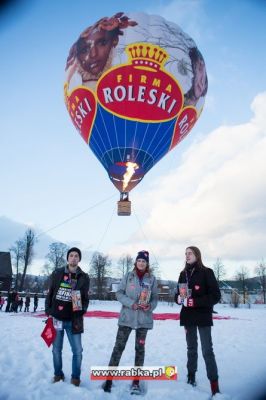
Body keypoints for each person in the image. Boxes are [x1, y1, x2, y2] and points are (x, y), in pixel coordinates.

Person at [102, 250, 158, 394]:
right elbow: (119, 293)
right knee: (118, 348)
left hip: (143, 320)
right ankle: (108, 380)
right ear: (136, 262)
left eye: (144, 261)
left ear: (147, 264)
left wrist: (149, 306)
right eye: (139, 260)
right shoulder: (128, 276)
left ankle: (136, 382)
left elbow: (155, 299)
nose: (141, 263)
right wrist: (131, 303)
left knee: (140, 350)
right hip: (127, 318)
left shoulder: (152, 279)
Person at [175, 246, 221, 397]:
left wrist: (195, 302)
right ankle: (191, 377)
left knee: (207, 350)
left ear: (197, 255)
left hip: (203, 316)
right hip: (188, 317)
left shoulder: (207, 272)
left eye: (190, 253)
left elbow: (215, 296)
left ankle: (214, 386)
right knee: (191, 348)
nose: (187, 255)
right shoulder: (183, 274)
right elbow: (178, 294)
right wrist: (178, 298)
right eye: (186, 253)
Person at [45, 247, 90, 387]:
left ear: (79, 259)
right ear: (67, 258)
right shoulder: (57, 273)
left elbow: (85, 298)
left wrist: (81, 311)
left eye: (76, 256)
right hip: (57, 318)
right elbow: (50, 293)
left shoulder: (84, 277)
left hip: (74, 321)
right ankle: (58, 375)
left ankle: (75, 378)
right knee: (56, 350)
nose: (74, 258)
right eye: (71, 255)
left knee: (78, 351)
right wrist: (48, 311)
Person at [66, 12, 137, 91]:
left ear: (114, 41)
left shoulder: (126, 71)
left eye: (102, 43)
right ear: (78, 57)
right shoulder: (77, 86)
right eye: (84, 50)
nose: (93, 54)